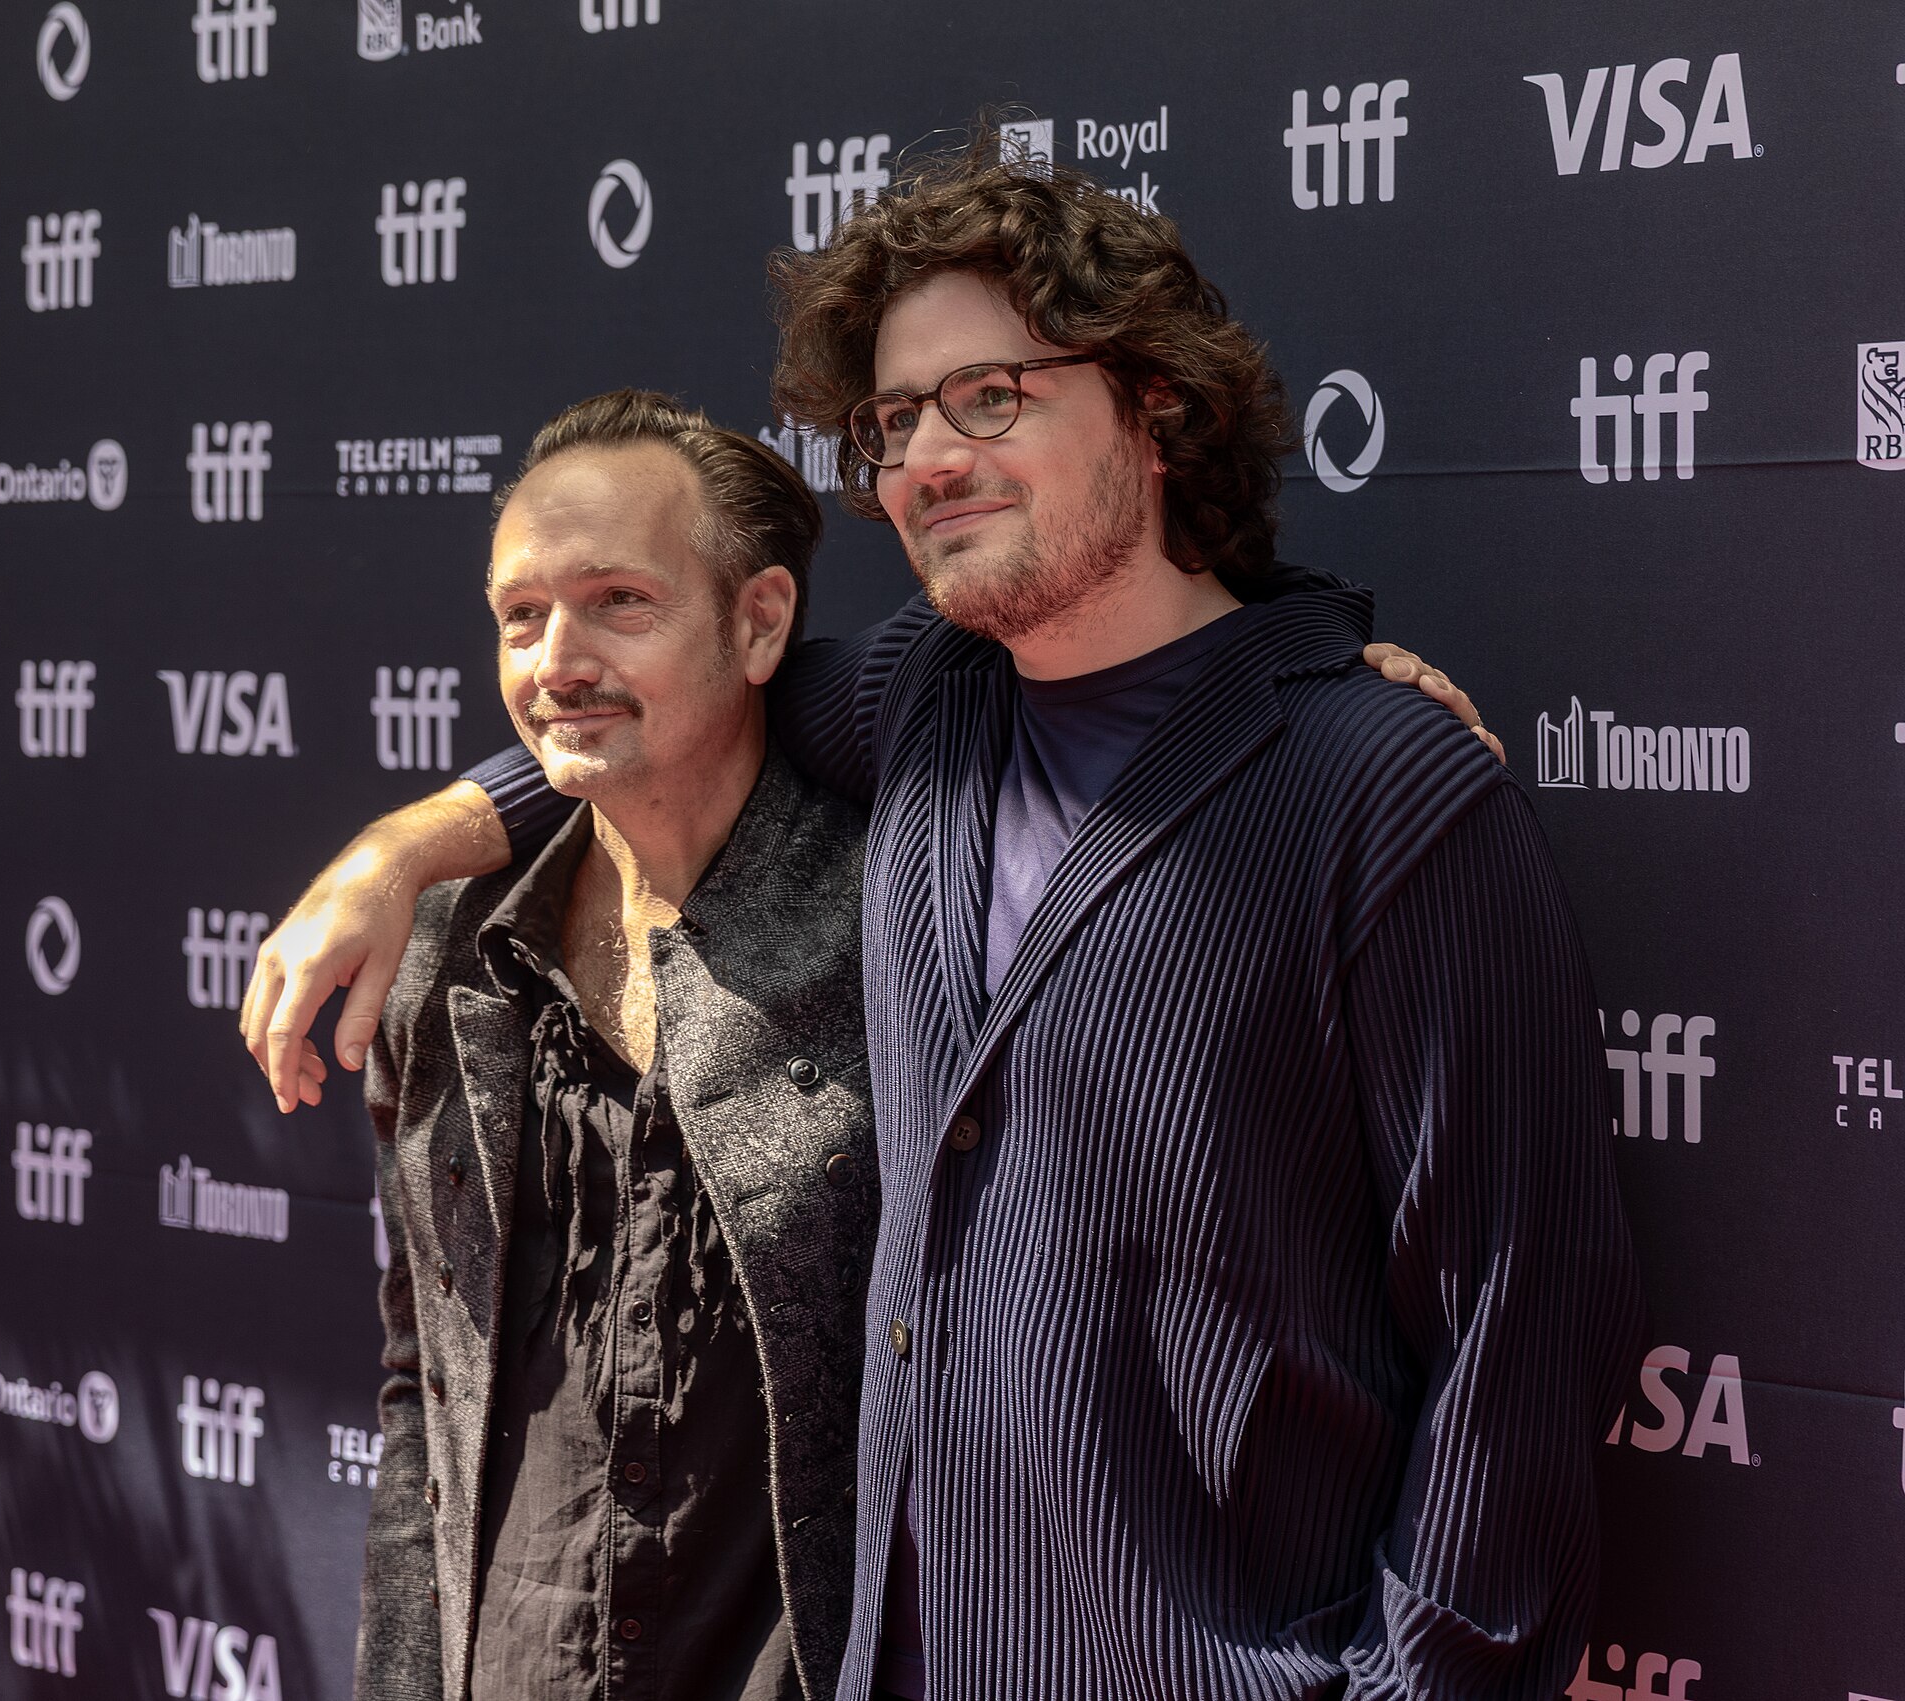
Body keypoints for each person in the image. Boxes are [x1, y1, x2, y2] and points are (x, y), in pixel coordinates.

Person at [246, 138, 1637, 1701]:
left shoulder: (1384, 792)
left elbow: (1516, 1348)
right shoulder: (925, 705)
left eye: (993, 396)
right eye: (893, 421)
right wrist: (409, 843)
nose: (926, 458)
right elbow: (649, 701)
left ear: (1157, 408)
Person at [356, 389, 876, 1701]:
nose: (553, 661)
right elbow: (427, 1393)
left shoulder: (897, 916)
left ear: (759, 623)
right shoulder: (449, 950)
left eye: (618, 604)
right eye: (519, 616)